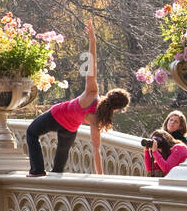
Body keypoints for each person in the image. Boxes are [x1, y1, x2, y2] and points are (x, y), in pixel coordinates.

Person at [25, 19, 130, 176]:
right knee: (60, 160)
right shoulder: (97, 119)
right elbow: (96, 150)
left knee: (32, 133)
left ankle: (37, 170)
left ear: (111, 93)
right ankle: (51, 176)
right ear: (117, 109)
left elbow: (91, 65)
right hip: (70, 129)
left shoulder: (92, 93)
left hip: (56, 116)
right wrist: (101, 177)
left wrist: (93, 41)